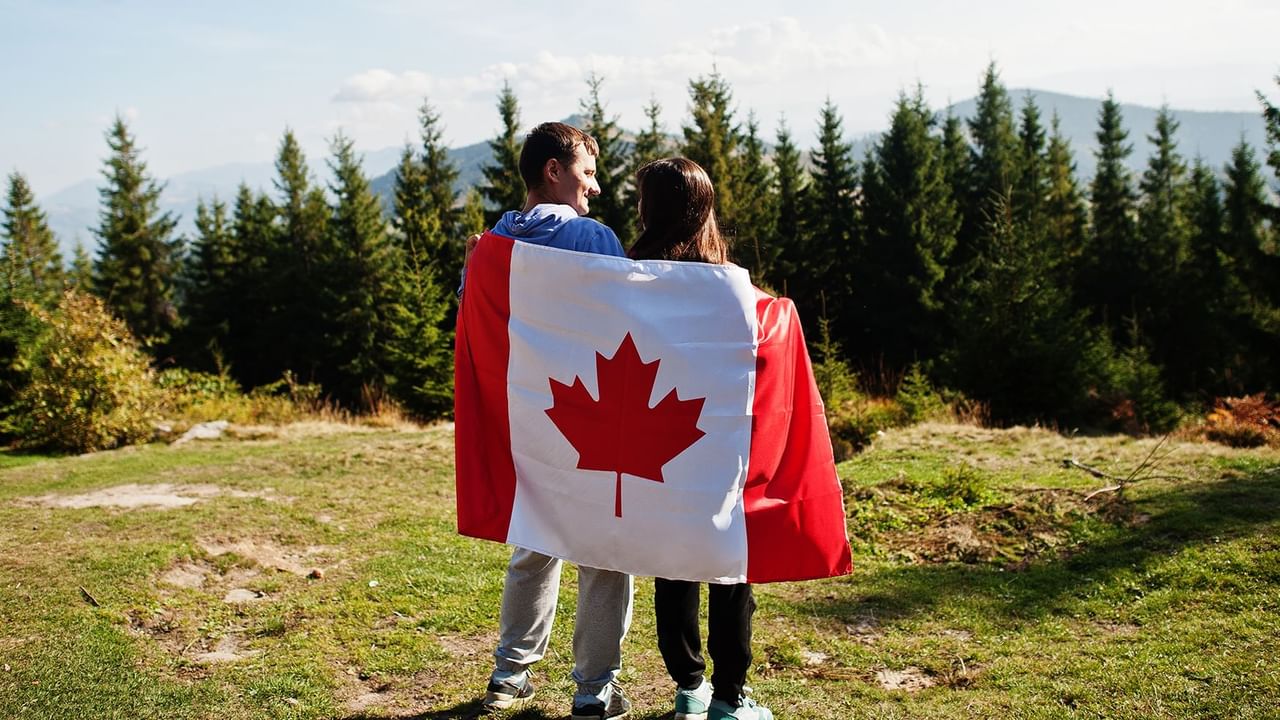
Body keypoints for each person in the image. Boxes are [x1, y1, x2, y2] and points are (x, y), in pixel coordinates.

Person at [472, 121, 634, 720]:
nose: (593, 188)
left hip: (525, 417)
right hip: (590, 409)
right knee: (604, 549)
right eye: (587, 173)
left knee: (533, 544)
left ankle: (510, 675)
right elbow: (626, 322)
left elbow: (477, 326)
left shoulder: (492, 245)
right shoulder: (591, 237)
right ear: (553, 171)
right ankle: (594, 688)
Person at [627, 157, 773, 720]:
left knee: (674, 563)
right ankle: (730, 701)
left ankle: (689, 687)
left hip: (652, 445)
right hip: (720, 442)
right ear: (703, 209)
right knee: (730, 568)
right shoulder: (731, 285)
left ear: (648, 208)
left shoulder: (624, 279)